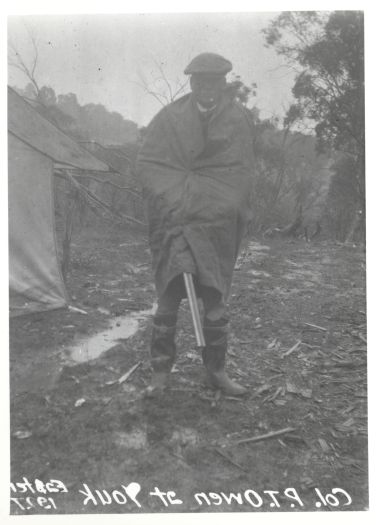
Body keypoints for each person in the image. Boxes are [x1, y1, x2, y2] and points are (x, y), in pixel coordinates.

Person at [136, 52, 255, 396]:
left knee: (215, 300)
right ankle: (160, 375)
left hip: (215, 226)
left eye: (214, 82)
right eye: (200, 81)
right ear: (191, 82)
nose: (207, 89)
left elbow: (241, 173)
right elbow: (149, 164)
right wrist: (171, 200)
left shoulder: (237, 120)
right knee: (168, 300)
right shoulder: (169, 118)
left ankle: (216, 372)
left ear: (223, 84)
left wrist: (221, 204)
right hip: (174, 222)